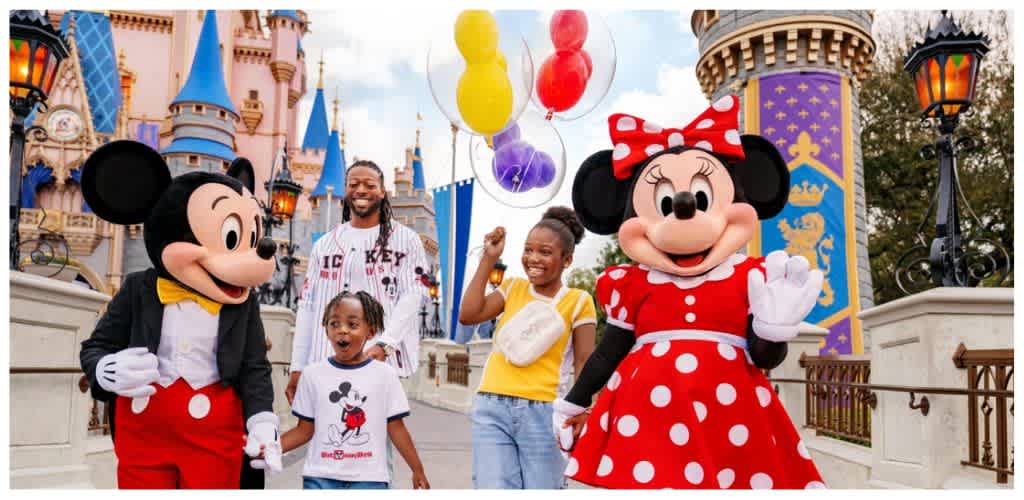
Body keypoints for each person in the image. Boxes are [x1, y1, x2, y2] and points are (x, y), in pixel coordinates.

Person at [554, 96, 825, 488]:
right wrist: (573, 401)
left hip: (731, 417)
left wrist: (772, 331)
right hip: (646, 420)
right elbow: (609, 351)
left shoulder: (750, 276)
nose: (683, 209)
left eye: (701, 199)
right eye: (663, 202)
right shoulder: (633, 282)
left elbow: (765, 356)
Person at [459, 207, 597, 489]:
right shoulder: (512, 287)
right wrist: (489, 258)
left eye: (545, 252)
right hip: (491, 405)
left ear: (567, 259)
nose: (533, 259)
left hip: (544, 412)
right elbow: (469, 314)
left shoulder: (579, 300)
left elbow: (584, 361)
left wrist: (583, 409)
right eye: (528, 250)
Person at [288, 159, 429, 402]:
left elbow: (414, 294)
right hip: (325, 363)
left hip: (378, 362)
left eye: (369, 185)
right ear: (345, 190)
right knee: (322, 436)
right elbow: (307, 306)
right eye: (354, 184)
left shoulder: (407, 240)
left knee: (373, 435)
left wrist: (386, 345)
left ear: (382, 192)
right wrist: (297, 366)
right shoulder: (324, 245)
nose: (361, 190)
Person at [274, 291, 430, 490]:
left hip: (369, 479)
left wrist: (417, 469)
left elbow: (396, 428)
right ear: (326, 330)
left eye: (353, 324)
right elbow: (303, 431)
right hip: (320, 477)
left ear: (370, 332)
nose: (342, 330)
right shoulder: (312, 375)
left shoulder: (385, 375)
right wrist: (271, 448)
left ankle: (350, 435)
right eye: (334, 324)